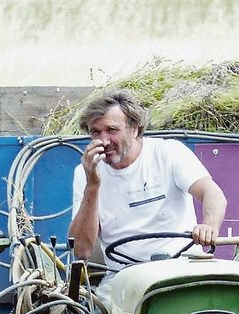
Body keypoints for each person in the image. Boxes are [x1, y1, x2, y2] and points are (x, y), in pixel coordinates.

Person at [69, 90, 227, 273]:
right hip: (123, 275)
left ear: (134, 129)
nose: (104, 141)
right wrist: (92, 185)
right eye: (96, 132)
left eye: (112, 130)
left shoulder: (168, 152)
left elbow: (212, 193)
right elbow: (81, 250)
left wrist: (209, 226)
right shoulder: (84, 173)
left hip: (183, 266)